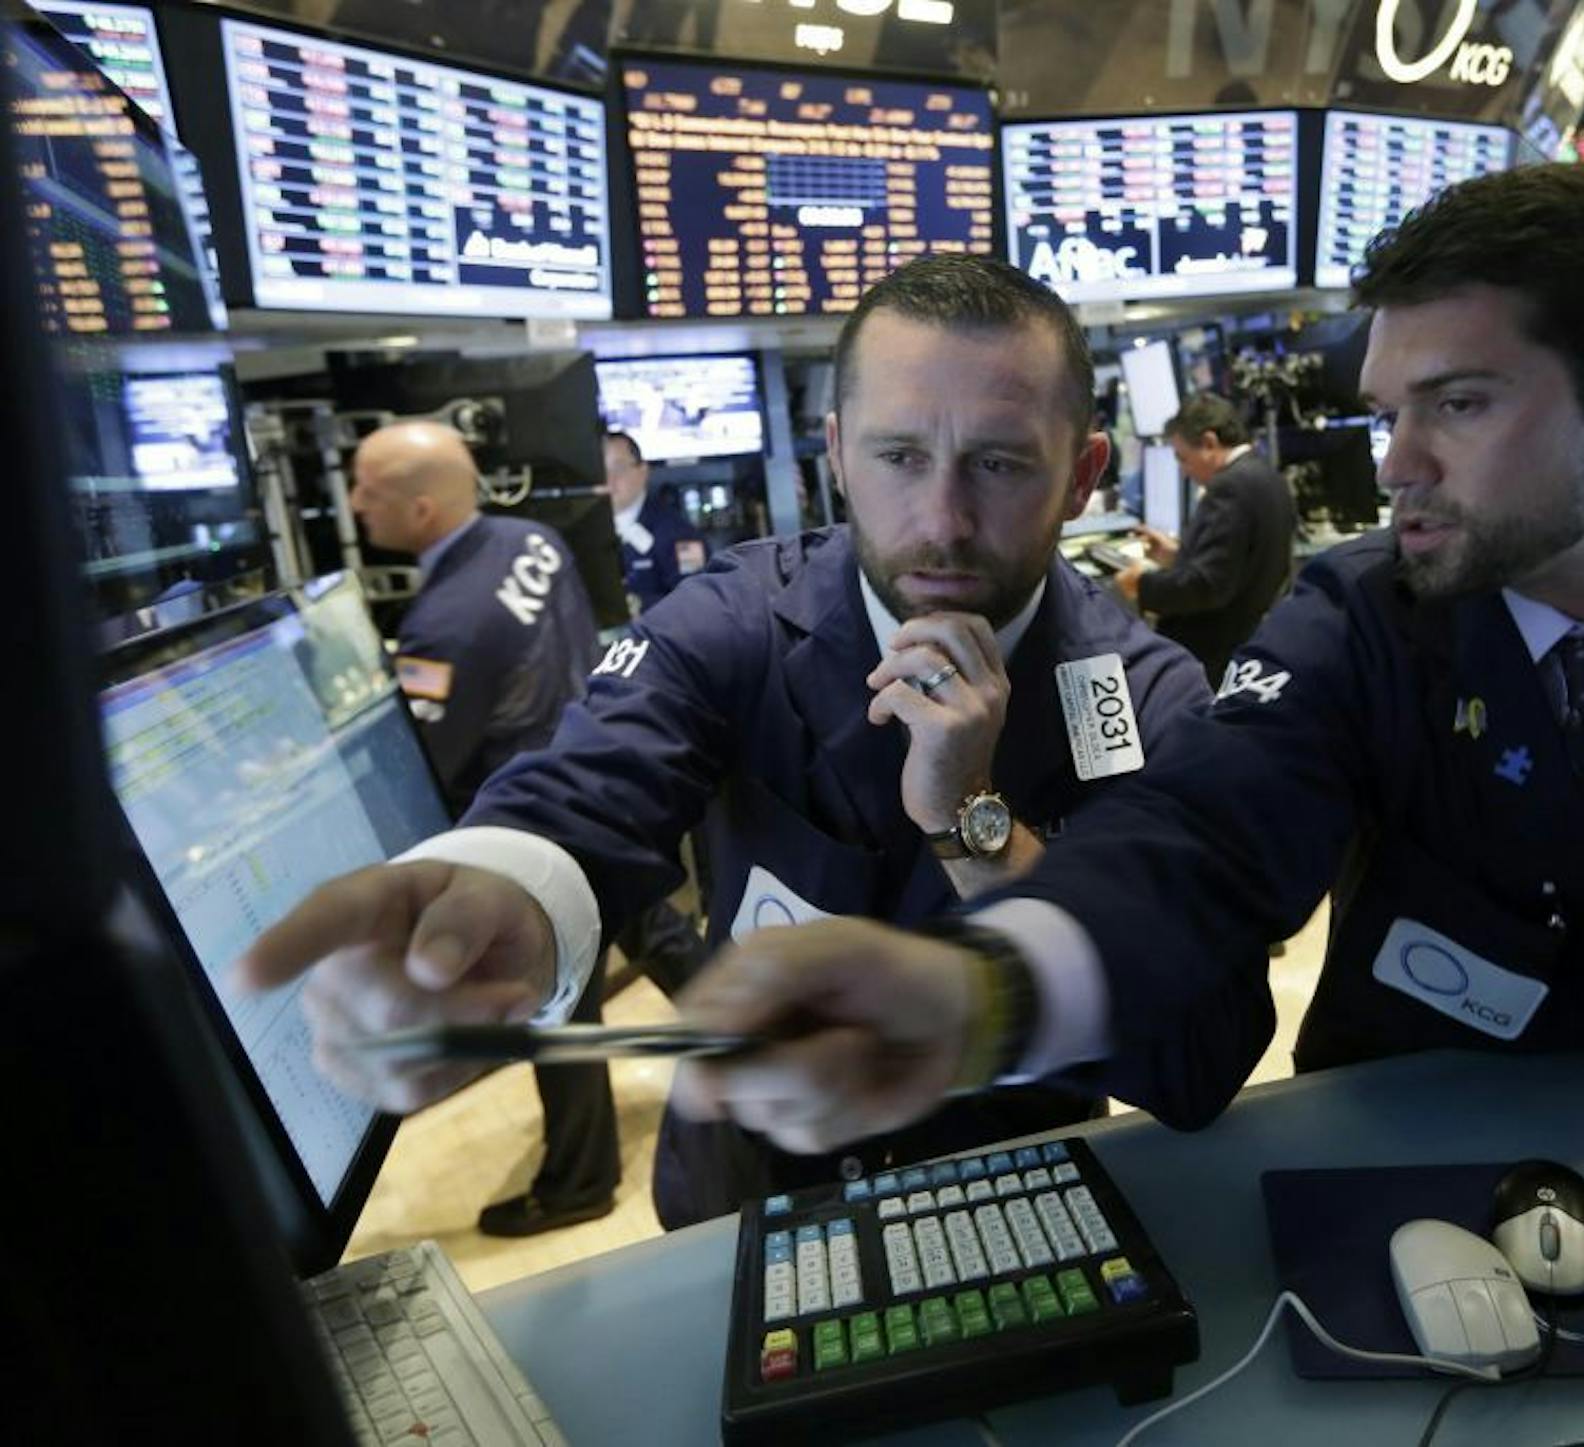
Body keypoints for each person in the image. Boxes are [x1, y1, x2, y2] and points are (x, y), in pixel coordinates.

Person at [634, 166, 1584, 1333]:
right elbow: (1201, 850)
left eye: (1461, 404)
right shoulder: (1363, 619)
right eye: (1385, 410)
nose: (1396, 465)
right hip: (1399, 1208)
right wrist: (989, 985)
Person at [241, 255, 1219, 1228]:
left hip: (1018, 1200)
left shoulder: (1136, 690)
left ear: (1085, 474)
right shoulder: (735, 618)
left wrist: (977, 823)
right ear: (836, 454)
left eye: (999, 463)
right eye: (899, 456)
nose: (944, 522)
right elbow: (594, 781)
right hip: (742, 1191)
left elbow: (1197, 1043)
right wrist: (504, 892)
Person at [346, 422, 623, 1236]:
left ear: (423, 508)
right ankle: (747, 1048)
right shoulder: (531, 537)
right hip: (602, 774)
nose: (354, 503)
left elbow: (421, 760)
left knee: (560, 1008)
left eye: (369, 489)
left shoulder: (443, 626)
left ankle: (579, 1184)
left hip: (533, 822)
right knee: (660, 931)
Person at [1116, 393, 1297, 687]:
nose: (1184, 472)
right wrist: (1177, 556)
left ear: (1210, 443)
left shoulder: (1229, 487)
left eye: (1183, 458)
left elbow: (1208, 586)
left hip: (1208, 658)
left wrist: (1142, 584)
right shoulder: (1266, 475)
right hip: (1241, 645)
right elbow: (1237, 564)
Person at [605, 429, 706, 617]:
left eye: (618, 468)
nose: (609, 480)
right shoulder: (588, 532)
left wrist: (636, 606)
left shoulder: (679, 534)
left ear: (643, 471)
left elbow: (695, 603)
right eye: (602, 471)